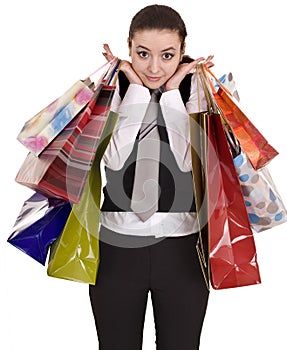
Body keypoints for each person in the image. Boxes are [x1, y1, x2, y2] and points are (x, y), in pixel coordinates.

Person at [89, 4, 213, 350]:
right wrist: (138, 93)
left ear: (182, 52)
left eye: (167, 55)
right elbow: (114, 163)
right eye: (142, 54)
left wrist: (173, 91)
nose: (154, 67)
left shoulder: (201, 91)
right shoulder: (110, 90)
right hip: (117, 247)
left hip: (183, 249)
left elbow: (189, 163)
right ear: (129, 48)